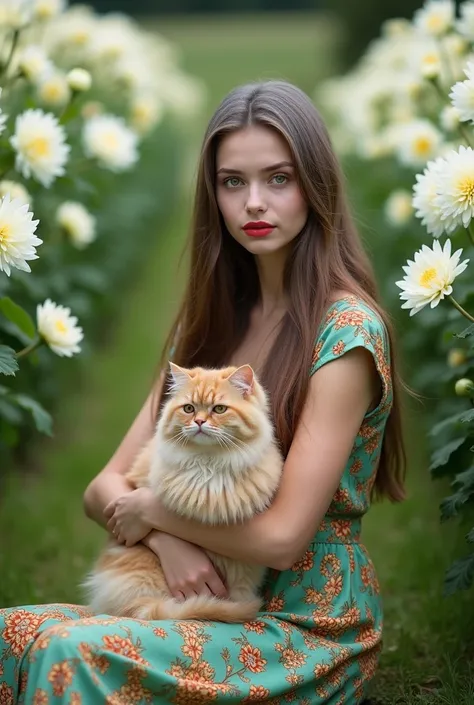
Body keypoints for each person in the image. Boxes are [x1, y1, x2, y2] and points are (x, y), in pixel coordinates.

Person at [0, 80, 406, 704]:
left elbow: (281, 537)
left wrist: (154, 513)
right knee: (11, 631)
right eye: (232, 182)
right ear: (212, 193)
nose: (254, 203)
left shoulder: (346, 332)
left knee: (64, 650)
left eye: (279, 177)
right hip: (185, 599)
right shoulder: (212, 328)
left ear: (317, 185)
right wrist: (168, 539)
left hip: (298, 625)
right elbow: (102, 488)